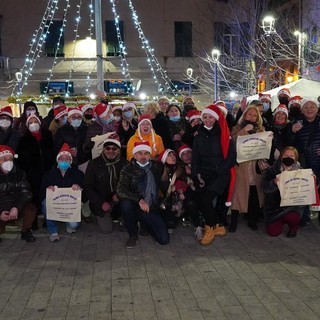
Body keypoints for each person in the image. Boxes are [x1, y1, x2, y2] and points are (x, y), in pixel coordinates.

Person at [192, 104, 236, 246]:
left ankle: (209, 228)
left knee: (206, 200)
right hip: (204, 174)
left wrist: (220, 169)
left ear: (216, 118)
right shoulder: (198, 134)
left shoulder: (224, 134)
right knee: (201, 200)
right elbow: (195, 157)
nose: (207, 120)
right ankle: (217, 225)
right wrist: (196, 174)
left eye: (210, 117)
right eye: (204, 117)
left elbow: (231, 157)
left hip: (220, 174)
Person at [117, 141, 170, 248]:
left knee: (164, 240)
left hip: (151, 207)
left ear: (150, 155)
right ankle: (132, 234)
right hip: (135, 205)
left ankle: (145, 225)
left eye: (146, 153)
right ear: (135, 155)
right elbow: (120, 190)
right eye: (139, 153)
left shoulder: (157, 167)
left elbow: (173, 165)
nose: (143, 156)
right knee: (125, 204)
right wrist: (139, 200)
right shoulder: (128, 169)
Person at [229, 106, 267, 232]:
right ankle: (233, 222)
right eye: (249, 114)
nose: (251, 117)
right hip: (241, 167)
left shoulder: (261, 130)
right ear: (244, 115)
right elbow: (234, 143)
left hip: (255, 167)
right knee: (237, 195)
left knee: (254, 195)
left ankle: (252, 220)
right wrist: (244, 130)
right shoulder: (236, 128)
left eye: (254, 115)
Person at [17, 114, 55, 228]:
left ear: (39, 123)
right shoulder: (24, 139)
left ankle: (46, 218)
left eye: (35, 121)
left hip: (48, 171)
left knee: (47, 195)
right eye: (31, 122)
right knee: (34, 196)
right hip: (33, 173)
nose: (34, 124)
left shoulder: (47, 136)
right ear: (27, 125)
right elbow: (21, 159)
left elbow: (53, 152)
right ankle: (32, 220)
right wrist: (27, 171)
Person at [40, 143, 84, 242]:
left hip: (70, 207)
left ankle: (69, 225)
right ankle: (53, 231)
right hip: (56, 205)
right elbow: (41, 192)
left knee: (74, 224)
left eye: (67, 158)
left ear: (71, 161)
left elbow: (85, 193)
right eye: (61, 158)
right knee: (46, 203)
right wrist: (48, 189)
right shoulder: (49, 174)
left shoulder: (78, 174)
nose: (64, 160)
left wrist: (79, 188)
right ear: (57, 160)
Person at [84, 136, 128, 233]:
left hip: (119, 198)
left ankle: (120, 215)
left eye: (114, 148)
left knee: (127, 206)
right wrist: (100, 203)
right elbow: (88, 187)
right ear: (103, 150)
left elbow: (129, 183)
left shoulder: (125, 163)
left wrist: (120, 194)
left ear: (119, 150)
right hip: (101, 200)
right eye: (107, 148)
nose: (110, 151)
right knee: (106, 230)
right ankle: (104, 214)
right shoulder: (94, 163)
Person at [261, 146, 303, 237]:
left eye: (291, 156)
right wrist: (273, 183)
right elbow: (264, 187)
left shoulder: (302, 172)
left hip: (292, 208)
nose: (288, 158)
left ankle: (293, 227)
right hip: (275, 209)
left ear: (296, 158)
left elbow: (312, 186)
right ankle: (280, 220)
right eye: (286, 155)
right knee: (273, 232)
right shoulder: (271, 170)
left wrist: (314, 180)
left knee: (292, 216)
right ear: (281, 156)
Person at [292, 98, 320, 227]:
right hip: (304, 162)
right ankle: (304, 216)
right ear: (302, 110)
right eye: (306, 107)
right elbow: (290, 144)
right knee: (304, 189)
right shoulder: (296, 123)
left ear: (317, 108)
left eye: (312, 106)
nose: (309, 109)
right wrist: (292, 132)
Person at [0, 145, 36, 242]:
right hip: (1, 206)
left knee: (31, 209)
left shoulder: (20, 173)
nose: (8, 161)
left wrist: (16, 207)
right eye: (4, 159)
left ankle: (25, 231)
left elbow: (27, 193)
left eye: (10, 158)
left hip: (15, 204)